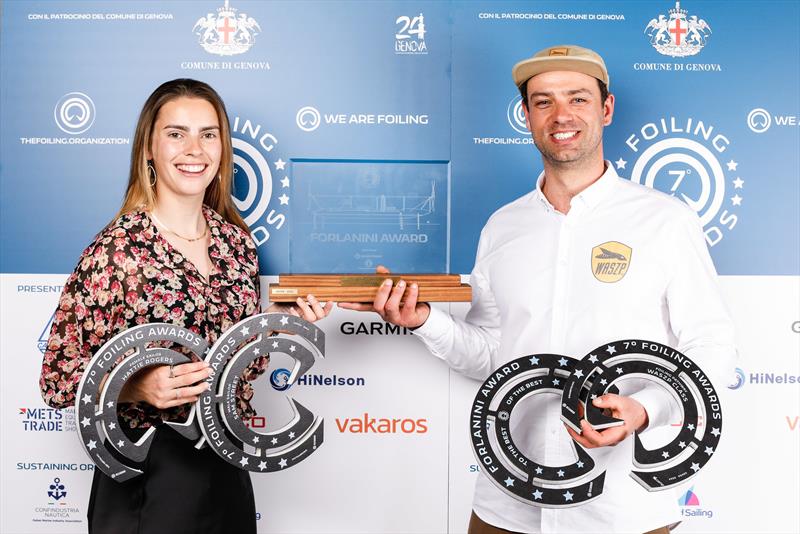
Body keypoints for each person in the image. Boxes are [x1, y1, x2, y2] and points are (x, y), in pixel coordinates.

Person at [341, 45, 736, 534]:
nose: (561, 115)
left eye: (578, 99)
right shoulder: (503, 227)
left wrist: (646, 410)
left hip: (623, 506)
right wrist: (425, 321)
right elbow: (492, 356)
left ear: (606, 109)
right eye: (544, 102)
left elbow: (711, 344)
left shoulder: (665, 221)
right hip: (509, 499)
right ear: (525, 115)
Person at [39, 78, 331, 534]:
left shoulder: (237, 245)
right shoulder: (119, 250)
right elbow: (57, 379)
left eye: (208, 134)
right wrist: (137, 386)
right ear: (149, 148)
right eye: (176, 133)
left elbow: (235, 366)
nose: (194, 149)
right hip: (145, 475)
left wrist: (284, 327)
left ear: (223, 146)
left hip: (227, 466)